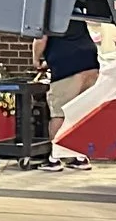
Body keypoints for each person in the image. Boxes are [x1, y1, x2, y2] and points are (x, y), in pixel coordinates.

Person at [35, 15, 101, 170]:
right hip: (90, 62)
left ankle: (54, 158)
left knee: (59, 112)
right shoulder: (73, 9)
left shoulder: (46, 12)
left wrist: (36, 60)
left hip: (68, 68)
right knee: (79, 113)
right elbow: (70, 42)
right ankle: (79, 156)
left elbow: (40, 39)